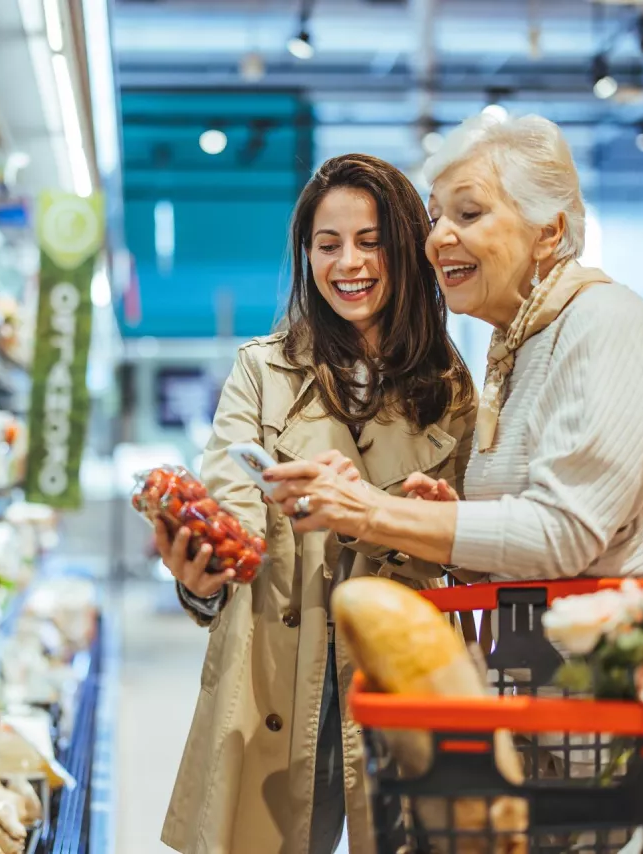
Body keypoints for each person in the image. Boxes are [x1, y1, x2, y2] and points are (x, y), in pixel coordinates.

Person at [262, 113, 643, 657]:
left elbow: (565, 534)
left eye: (469, 213)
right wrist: (446, 518)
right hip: (575, 704)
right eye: (435, 218)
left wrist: (369, 511)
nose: (437, 239)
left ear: (548, 232)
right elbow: (535, 550)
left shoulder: (601, 325)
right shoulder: (522, 349)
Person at [156, 153, 476, 854]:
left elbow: (473, 543)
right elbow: (231, 511)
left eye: (370, 241)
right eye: (327, 244)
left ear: (405, 249)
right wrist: (202, 578)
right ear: (306, 255)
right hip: (268, 679)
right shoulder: (261, 371)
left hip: (392, 683)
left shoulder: (451, 392)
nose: (348, 263)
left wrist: (434, 518)